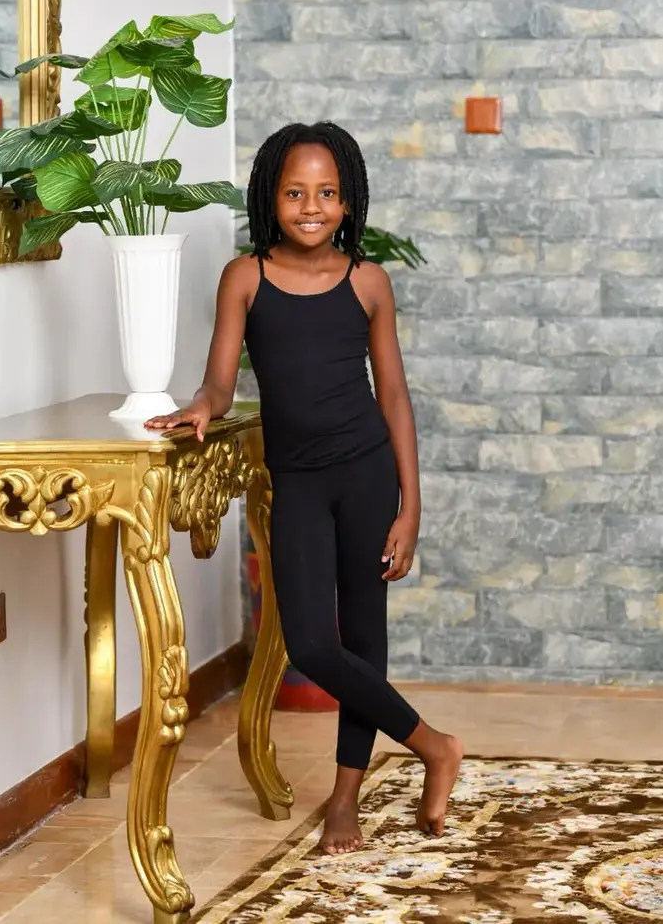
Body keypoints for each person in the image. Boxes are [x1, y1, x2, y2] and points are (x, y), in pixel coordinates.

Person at [146, 121, 463, 855]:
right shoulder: (245, 278)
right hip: (297, 481)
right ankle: (434, 745)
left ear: (348, 202)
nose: (310, 206)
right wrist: (201, 405)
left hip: (367, 474)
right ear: (270, 198)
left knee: (365, 638)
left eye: (326, 193)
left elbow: (393, 397)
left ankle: (344, 799)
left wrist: (410, 508)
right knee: (313, 643)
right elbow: (220, 379)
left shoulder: (367, 282)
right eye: (294, 193)